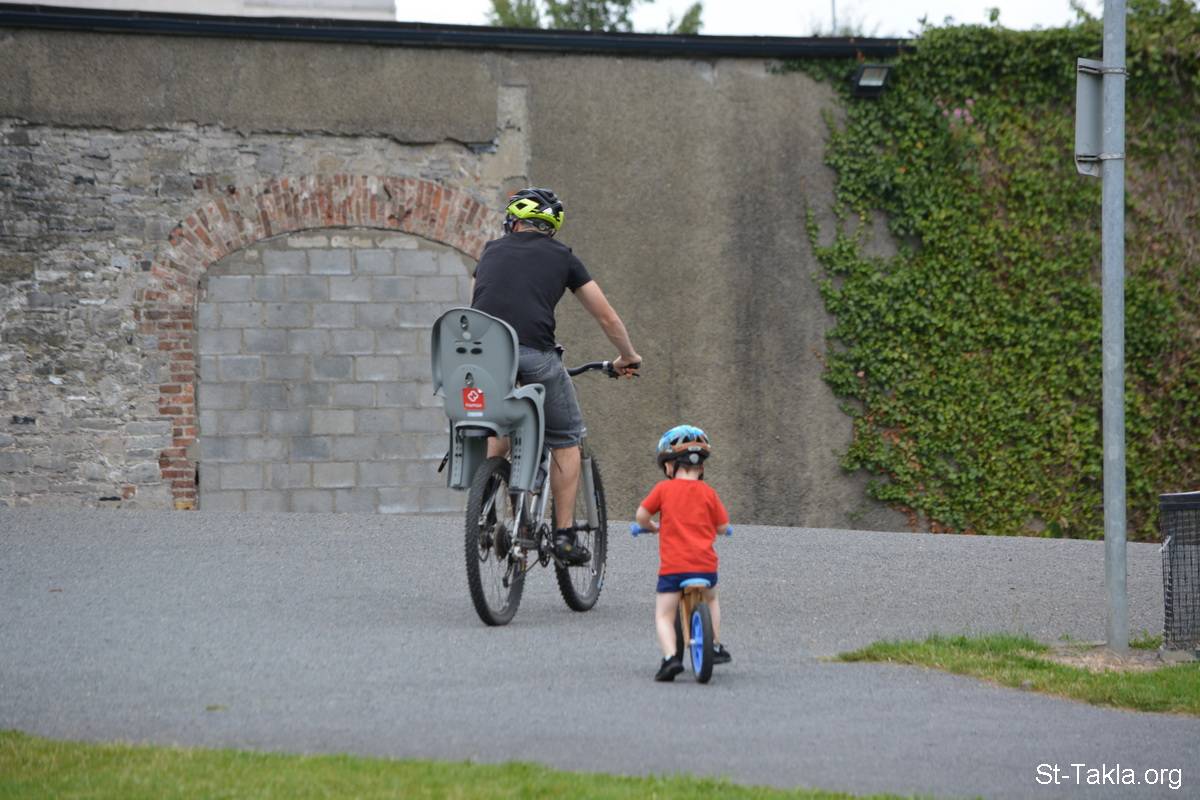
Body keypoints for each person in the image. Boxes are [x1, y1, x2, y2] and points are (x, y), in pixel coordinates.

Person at [471, 187, 641, 566]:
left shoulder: (489, 252)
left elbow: (475, 307)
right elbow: (606, 317)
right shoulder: (562, 256)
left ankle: (482, 515)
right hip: (536, 357)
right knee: (566, 438)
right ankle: (564, 536)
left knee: (500, 429)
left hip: (483, 359)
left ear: (513, 223)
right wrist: (628, 356)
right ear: (552, 227)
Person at [634, 424, 733, 681]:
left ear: (669, 466)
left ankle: (670, 658)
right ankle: (715, 644)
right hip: (705, 568)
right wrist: (722, 529)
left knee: (664, 615)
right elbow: (722, 526)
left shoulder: (663, 490)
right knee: (711, 599)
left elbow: (641, 515)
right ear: (701, 467)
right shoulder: (709, 493)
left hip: (673, 570)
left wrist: (650, 526)